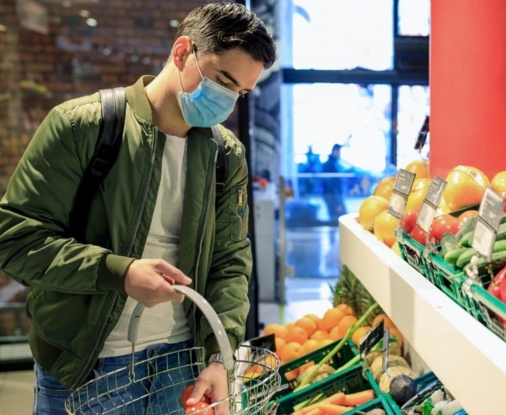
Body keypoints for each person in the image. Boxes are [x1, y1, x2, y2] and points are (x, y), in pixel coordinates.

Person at [0, 3, 276, 414]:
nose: (229, 101)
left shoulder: (225, 154)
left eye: (241, 92)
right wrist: (120, 272)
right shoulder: (82, 126)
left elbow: (231, 262)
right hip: (88, 366)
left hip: (181, 365)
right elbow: (16, 240)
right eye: (222, 81)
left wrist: (220, 356)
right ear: (182, 52)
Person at [321, 144, 348, 221]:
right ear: (335, 151)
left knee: (338, 217)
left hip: (335, 195)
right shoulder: (330, 165)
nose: (340, 153)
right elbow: (331, 185)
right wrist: (337, 202)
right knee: (339, 218)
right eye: (339, 151)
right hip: (332, 196)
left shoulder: (335, 163)